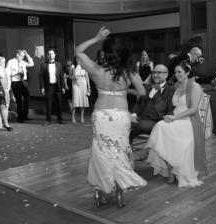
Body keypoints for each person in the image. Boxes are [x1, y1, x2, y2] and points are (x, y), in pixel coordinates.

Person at [75, 27, 147, 208]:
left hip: (101, 116)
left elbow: (78, 51)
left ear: (107, 54)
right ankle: (120, 192)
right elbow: (142, 92)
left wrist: (96, 37)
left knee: (100, 153)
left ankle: (100, 192)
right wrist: (123, 90)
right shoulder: (130, 72)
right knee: (120, 151)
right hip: (121, 116)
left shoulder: (96, 69)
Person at [144, 60, 207, 188]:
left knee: (160, 126)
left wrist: (174, 117)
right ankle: (170, 167)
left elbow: (194, 109)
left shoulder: (195, 86)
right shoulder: (176, 86)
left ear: (187, 72)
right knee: (161, 126)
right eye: (175, 72)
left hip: (188, 121)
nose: (177, 74)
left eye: (180, 72)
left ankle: (145, 151)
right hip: (176, 119)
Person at [130, 64, 175, 161]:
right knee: (124, 128)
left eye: (159, 72)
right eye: (154, 72)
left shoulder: (170, 90)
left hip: (155, 121)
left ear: (166, 75)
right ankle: (125, 155)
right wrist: (133, 115)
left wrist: (168, 119)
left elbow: (170, 108)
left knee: (137, 125)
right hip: (140, 119)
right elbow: (138, 103)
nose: (155, 75)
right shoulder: (147, 86)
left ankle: (141, 154)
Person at [6, 49, 34, 123]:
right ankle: (20, 117)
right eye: (22, 56)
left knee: (27, 97)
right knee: (18, 100)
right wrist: (17, 72)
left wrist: (27, 54)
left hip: (23, 81)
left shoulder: (23, 62)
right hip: (16, 82)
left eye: (23, 56)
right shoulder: (11, 62)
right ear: (17, 55)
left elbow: (31, 64)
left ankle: (25, 115)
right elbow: (7, 72)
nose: (22, 57)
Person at [39, 49, 66, 126]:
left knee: (59, 103)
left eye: (52, 54)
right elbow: (41, 77)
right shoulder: (43, 65)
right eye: (49, 54)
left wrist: (63, 87)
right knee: (49, 104)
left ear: (55, 55)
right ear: (47, 56)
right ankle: (48, 120)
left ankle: (60, 119)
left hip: (57, 86)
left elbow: (61, 77)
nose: (51, 55)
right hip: (49, 86)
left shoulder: (59, 64)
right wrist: (42, 87)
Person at [71, 56, 90, 123]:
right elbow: (70, 77)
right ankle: (73, 117)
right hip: (75, 84)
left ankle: (82, 116)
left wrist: (89, 87)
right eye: (76, 58)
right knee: (75, 100)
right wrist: (73, 77)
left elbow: (87, 78)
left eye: (79, 58)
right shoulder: (73, 66)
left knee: (82, 101)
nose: (77, 60)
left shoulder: (85, 67)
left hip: (83, 84)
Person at [0, 57, 11, 129]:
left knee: (7, 107)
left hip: (6, 90)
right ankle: (0, 123)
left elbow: (9, 79)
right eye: (1, 63)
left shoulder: (6, 70)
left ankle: (6, 122)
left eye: (4, 63)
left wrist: (8, 88)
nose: (3, 64)